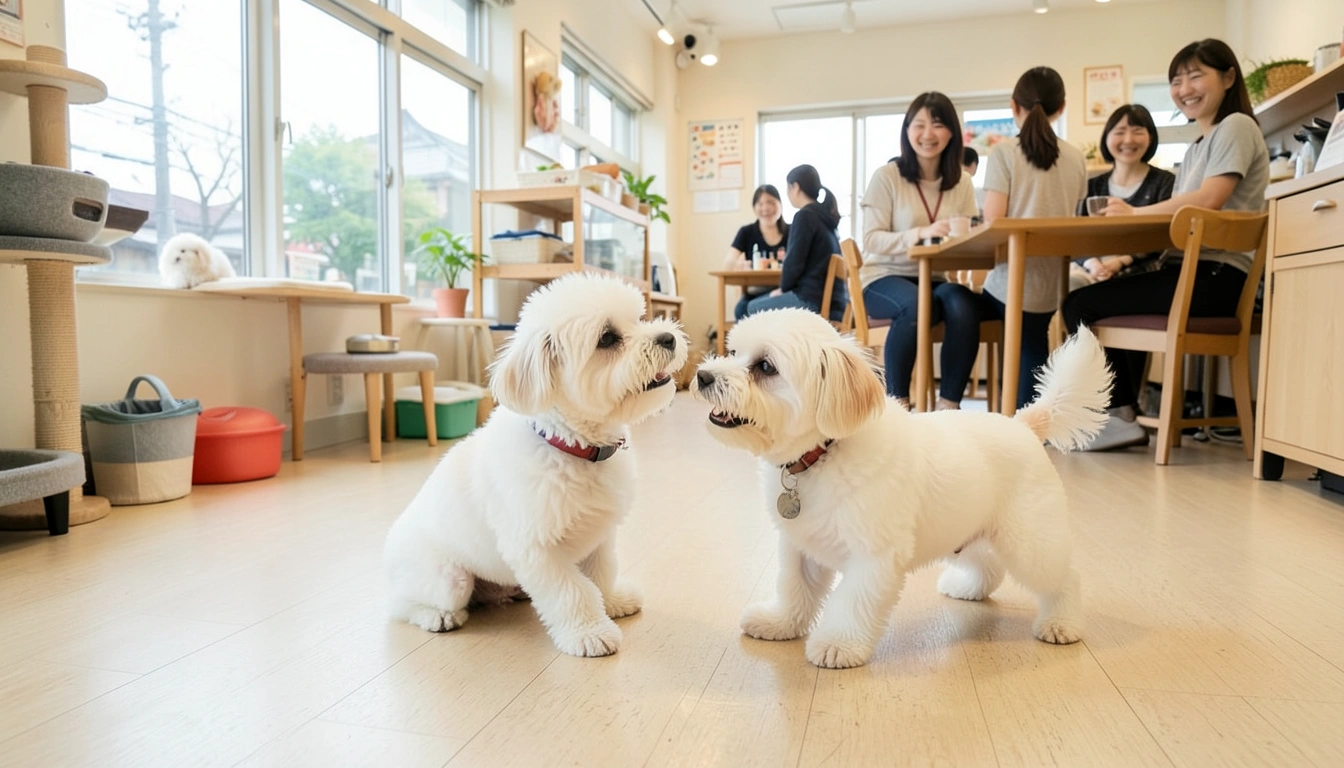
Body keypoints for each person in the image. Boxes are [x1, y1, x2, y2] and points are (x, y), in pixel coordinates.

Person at [1063, 38, 1269, 451]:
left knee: (1080, 305)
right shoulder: (1198, 146)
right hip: (1195, 273)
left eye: (1196, 76)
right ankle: (1120, 414)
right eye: (1177, 80)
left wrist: (1134, 215)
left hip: (1216, 277)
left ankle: (1120, 414)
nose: (1185, 88)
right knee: (1093, 300)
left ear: (1229, 78)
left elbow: (1210, 200)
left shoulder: (1237, 126)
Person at [860, 92, 981, 410]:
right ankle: (896, 406)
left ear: (952, 132)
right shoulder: (887, 177)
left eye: (938, 125)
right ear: (907, 130)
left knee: (965, 303)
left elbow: (965, 237)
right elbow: (871, 240)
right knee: (915, 305)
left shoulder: (962, 183)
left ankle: (949, 406)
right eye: (919, 124)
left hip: (935, 277)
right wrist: (920, 234)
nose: (928, 134)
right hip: (883, 276)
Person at [981, 66, 1088, 409]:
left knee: (966, 306)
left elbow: (994, 223)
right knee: (1033, 338)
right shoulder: (1076, 158)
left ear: (1015, 106)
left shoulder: (1003, 154)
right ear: (1062, 107)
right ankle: (1030, 419)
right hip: (1053, 283)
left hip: (1009, 283)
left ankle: (1014, 419)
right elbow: (1075, 214)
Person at [1071, 104, 1176, 291]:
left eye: (1137, 131)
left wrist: (1121, 261)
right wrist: (1093, 264)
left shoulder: (1165, 183)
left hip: (1142, 272)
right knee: (1071, 283)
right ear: (1106, 138)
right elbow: (1076, 237)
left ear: (1150, 137)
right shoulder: (1092, 186)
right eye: (1119, 132)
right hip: (1090, 270)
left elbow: (1167, 237)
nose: (1128, 140)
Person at [743, 164, 847, 320]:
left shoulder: (804, 216)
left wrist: (783, 289)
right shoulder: (826, 218)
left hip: (810, 300)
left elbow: (794, 262)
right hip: (835, 301)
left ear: (795, 187)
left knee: (749, 309)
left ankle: (782, 345)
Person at [724, 185, 789, 320]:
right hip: (755, 293)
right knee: (741, 310)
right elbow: (728, 264)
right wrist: (738, 265)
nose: (765, 208)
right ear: (754, 208)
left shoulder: (792, 231)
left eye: (771, 202)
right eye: (760, 203)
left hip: (785, 292)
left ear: (780, 205)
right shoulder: (746, 232)